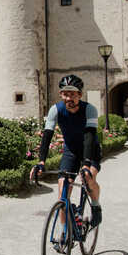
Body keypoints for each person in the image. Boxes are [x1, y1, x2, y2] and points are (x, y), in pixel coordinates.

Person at [31, 74, 102, 227]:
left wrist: (86, 163)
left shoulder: (90, 109)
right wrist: (41, 161)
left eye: (73, 94)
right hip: (70, 151)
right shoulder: (55, 110)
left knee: (88, 179)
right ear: (61, 94)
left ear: (80, 95)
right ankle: (64, 235)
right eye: (65, 94)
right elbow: (47, 135)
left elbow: (89, 136)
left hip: (90, 151)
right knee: (63, 193)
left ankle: (96, 206)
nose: (69, 98)